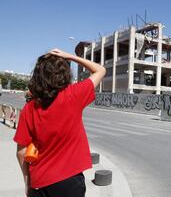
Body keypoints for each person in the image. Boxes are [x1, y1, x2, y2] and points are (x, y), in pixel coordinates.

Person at [13, 48, 106, 197]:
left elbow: (21, 151)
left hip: (39, 182)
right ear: (65, 74)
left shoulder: (29, 109)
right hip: (69, 183)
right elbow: (100, 70)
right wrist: (70, 56)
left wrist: (27, 181)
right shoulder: (74, 95)